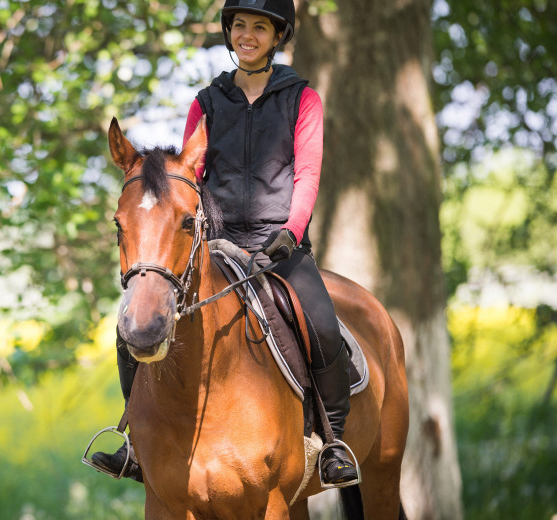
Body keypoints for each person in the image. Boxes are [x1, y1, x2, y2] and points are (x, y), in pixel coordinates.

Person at [91, 0, 358, 487]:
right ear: (229, 32)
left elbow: (308, 172)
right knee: (135, 320)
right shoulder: (207, 102)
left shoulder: (303, 100)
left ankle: (333, 442)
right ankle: (134, 441)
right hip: (218, 243)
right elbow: (194, 172)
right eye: (240, 26)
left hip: (279, 244)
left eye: (260, 27)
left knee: (320, 320)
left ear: (278, 37)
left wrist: (291, 232)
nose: (248, 36)